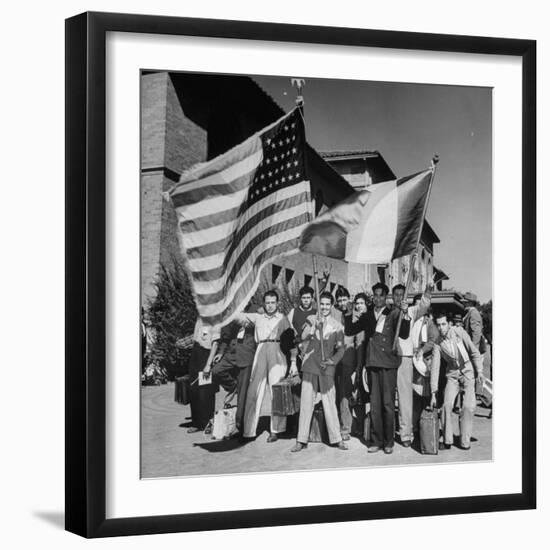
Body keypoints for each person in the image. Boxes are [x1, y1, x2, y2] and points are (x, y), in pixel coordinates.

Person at [344, 282, 410, 454]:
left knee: (387, 405)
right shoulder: (367, 315)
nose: (378, 298)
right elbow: (350, 330)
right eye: (376, 295)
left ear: (386, 297)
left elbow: (404, 333)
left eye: (382, 295)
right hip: (372, 363)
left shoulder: (393, 312)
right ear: (373, 297)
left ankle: (388, 442)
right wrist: (348, 311)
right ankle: (375, 440)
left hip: (388, 364)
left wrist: (405, 313)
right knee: (374, 404)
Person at [236, 290, 297, 442]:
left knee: (277, 391)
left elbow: (291, 341)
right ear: (263, 303)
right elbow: (238, 317)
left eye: (273, 303)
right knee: (253, 391)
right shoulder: (258, 317)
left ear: (277, 303)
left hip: (277, 351)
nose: (270, 306)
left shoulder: (283, 319)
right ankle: (248, 431)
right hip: (261, 350)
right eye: (267, 302)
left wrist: (294, 362)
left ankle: (276, 430)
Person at [291, 292, 347, 452]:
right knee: (306, 403)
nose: (324, 307)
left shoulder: (337, 325)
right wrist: (313, 328)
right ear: (318, 304)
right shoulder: (311, 319)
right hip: (310, 366)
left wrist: (333, 361)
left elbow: (341, 348)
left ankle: (337, 438)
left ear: (332, 306)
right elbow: (302, 337)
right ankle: (301, 439)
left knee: (330, 403)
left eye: (327, 304)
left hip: (326, 367)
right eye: (321, 304)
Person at [430, 312, 484, 450]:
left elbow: (474, 352)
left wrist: (479, 371)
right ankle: (447, 440)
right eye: (438, 325)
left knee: (468, 406)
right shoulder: (437, 343)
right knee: (447, 405)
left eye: (443, 324)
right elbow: (435, 368)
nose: (441, 328)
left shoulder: (459, 333)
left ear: (449, 324)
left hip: (467, 371)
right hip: (452, 374)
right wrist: (433, 392)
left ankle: (465, 441)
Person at [203, 309, 257, 436]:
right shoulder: (228, 313)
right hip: (230, 353)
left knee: (242, 396)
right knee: (216, 371)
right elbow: (225, 337)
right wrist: (221, 352)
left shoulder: (254, 310)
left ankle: (240, 427)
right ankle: (233, 386)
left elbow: (252, 325)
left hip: (246, 354)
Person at [392, 281, 432, 447]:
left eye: (402, 295)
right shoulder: (388, 312)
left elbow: (423, 305)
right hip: (387, 358)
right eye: (396, 295)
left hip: (405, 358)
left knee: (404, 398)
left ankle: (405, 434)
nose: (399, 298)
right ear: (392, 297)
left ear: (405, 297)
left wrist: (428, 290)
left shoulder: (411, 311)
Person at [410, 295, 439, 431]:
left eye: (421, 306)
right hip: (410, 360)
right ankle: (414, 427)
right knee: (413, 396)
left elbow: (433, 340)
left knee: (423, 395)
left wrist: (422, 350)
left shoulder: (429, 323)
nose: (419, 309)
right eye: (416, 305)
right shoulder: (409, 319)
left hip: (423, 363)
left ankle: (424, 428)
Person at [187, 317, 220, 433]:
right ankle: (196, 422)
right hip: (196, 354)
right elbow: (197, 337)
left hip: (206, 356)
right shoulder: (199, 318)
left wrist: (208, 364)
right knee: (193, 389)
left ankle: (208, 423)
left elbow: (215, 343)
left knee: (206, 391)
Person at [333, 287, 357, 441]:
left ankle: (347, 427)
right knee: (338, 394)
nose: (342, 303)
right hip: (335, 360)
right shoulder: (334, 314)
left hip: (350, 360)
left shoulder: (355, 315)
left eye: (344, 299)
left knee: (347, 395)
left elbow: (358, 340)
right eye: (339, 300)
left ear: (349, 298)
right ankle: (340, 425)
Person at [288, 286, 317, 371]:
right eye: (304, 298)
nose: (306, 300)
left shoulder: (316, 312)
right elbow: (289, 331)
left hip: (311, 351)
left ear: (312, 298)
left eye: (308, 297)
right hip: (295, 351)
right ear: (300, 299)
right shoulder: (293, 312)